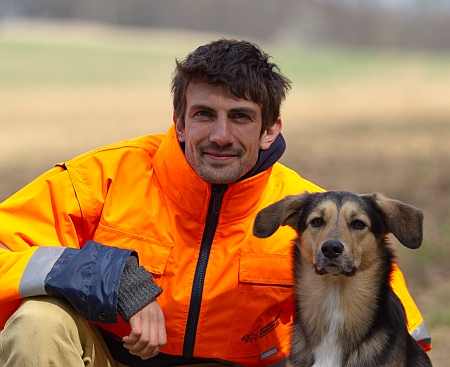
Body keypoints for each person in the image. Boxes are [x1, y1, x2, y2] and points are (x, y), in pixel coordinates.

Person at [0, 39, 430, 367]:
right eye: (204, 114)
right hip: (112, 358)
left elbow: (406, 339)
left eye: (240, 116)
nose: (221, 135)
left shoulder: (309, 219)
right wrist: (112, 278)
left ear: (270, 128)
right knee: (39, 323)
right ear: (180, 123)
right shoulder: (100, 179)